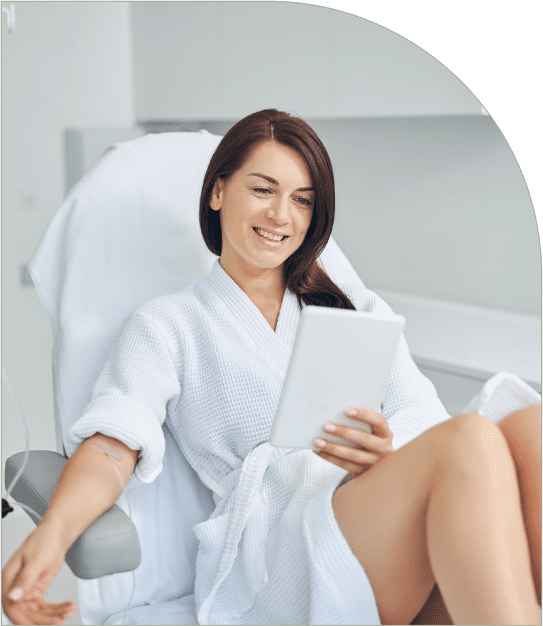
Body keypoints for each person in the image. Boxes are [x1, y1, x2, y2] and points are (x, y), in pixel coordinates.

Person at [2, 109, 541, 626]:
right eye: (263, 190)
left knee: (529, 429)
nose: (281, 216)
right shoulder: (169, 323)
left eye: (302, 200)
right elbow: (112, 443)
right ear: (218, 192)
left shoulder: (349, 306)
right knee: (470, 436)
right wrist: (51, 535)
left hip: (371, 518)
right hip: (275, 550)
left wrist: (384, 451)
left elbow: (422, 414)